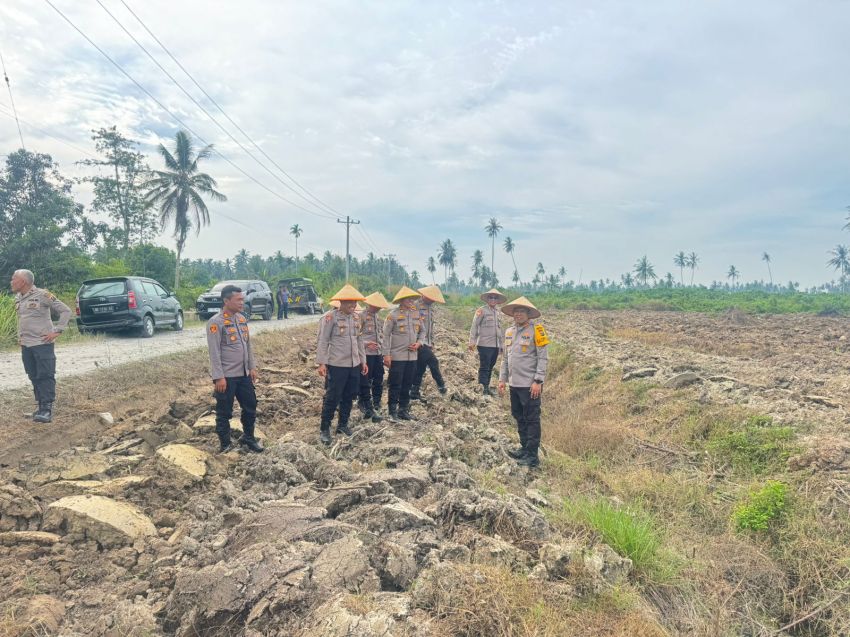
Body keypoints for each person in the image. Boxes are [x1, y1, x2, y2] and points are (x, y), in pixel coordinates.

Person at [207, 284, 264, 454]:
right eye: (238, 299)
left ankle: (249, 437)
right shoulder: (215, 322)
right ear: (226, 300)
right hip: (227, 377)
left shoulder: (241, 319)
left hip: (244, 374)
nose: (242, 302)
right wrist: (218, 377)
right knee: (224, 411)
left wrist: (251, 367)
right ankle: (225, 444)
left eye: (242, 299)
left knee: (250, 406)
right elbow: (214, 352)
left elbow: (248, 345)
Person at [10, 269, 71, 423]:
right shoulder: (18, 297)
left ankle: (47, 409)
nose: (11, 281)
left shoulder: (43, 295)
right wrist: (21, 337)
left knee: (45, 375)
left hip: (42, 344)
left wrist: (57, 331)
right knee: (33, 375)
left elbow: (65, 311)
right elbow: (24, 320)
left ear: (23, 282)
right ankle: (40, 406)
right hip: (26, 345)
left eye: (14, 279)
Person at [498, 296, 549, 468]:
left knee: (532, 419)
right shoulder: (509, 332)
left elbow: (543, 358)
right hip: (514, 384)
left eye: (522, 311)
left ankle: (532, 456)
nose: (518, 314)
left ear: (529, 314)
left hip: (530, 385)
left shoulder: (538, 331)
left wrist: (538, 380)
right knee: (518, 416)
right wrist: (502, 379)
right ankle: (524, 447)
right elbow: (506, 358)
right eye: (516, 311)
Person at [317, 284, 368, 445]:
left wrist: (363, 361)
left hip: (354, 364)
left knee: (350, 395)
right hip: (337, 364)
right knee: (333, 396)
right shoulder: (330, 317)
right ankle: (325, 428)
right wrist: (322, 363)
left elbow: (359, 341)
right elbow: (323, 340)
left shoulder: (356, 318)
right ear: (340, 302)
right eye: (348, 303)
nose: (352, 306)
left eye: (354, 303)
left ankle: (343, 424)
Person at [383, 286, 424, 421]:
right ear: (401, 300)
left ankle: (403, 409)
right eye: (408, 298)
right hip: (397, 356)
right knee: (396, 384)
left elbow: (423, 332)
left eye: (413, 298)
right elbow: (386, 335)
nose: (411, 301)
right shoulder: (392, 315)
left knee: (407, 383)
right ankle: (392, 410)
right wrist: (386, 354)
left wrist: (419, 343)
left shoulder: (416, 314)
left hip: (412, 356)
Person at [358, 292, 390, 422]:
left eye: (379, 307)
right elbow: (356, 336)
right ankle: (363, 403)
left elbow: (380, 334)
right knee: (365, 379)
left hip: (378, 353)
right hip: (366, 354)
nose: (378, 309)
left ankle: (376, 402)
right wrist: (366, 345)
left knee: (379, 377)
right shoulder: (361, 317)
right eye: (376, 306)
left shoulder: (377, 317)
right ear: (370, 304)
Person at [411, 285, 447, 401]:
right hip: (418, 342)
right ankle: (441, 385)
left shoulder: (430, 308)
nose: (432, 301)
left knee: (420, 367)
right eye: (431, 298)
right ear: (425, 295)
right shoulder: (415, 305)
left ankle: (414, 392)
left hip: (427, 342)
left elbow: (430, 327)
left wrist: (432, 342)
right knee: (433, 361)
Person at [469, 288, 507, 395]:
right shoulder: (482, 311)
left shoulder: (497, 313)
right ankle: (482, 389)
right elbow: (474, 326)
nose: (493, 299)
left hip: (495, 345)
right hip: (484, 344)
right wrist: (472, 341)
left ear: (497, 300)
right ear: (487, 299)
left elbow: (499, 330)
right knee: (485, 367)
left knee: (491, 366)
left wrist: (501, 345)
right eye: (491, 297)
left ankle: (486, 387)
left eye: (495, 298)